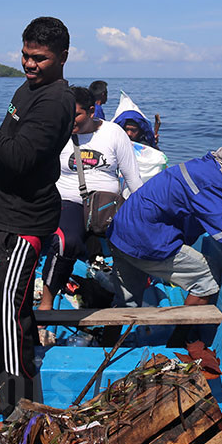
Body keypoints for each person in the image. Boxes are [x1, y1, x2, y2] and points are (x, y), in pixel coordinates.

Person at [0, 17, 76, 419]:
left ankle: (20, 410)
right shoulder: (27, 89)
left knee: (7, 312)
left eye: (39, 58)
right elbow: (11, 143)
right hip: (6, 214)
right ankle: (12, 396)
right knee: (4, 306)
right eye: (24, 55)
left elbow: (20, 158)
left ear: (62, 58)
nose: (29, 64)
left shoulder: (56, 100)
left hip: (26, 222)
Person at [106, 138, 222, 311]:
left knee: (127, 302)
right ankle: (182, 337)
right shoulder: (212, 182)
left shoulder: (200, 166)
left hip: (118, 233)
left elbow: (217, 211)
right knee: (206, 277)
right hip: (143, 240)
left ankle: (112, 336)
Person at [39, 87, 143, 315]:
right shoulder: (57, 133)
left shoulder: (114, 133)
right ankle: (46, 301)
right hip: (69, 200)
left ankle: (129, 301)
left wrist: (148, 215)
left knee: (136, 241)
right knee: (67, 242)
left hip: (107, 206)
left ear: (91, 111)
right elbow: (34, 171)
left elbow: (133, 180)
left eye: (75, 114)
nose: (69, 119)